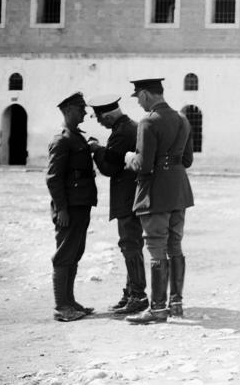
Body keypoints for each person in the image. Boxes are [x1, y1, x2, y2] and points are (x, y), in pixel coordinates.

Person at [124, 78, 195, 324]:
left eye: (138, 98)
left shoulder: (148, 122)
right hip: (179, 191)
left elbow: (143, 166)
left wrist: (130, 157)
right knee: (175, 246)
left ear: (145, 94)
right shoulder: (183, 119)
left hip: (155, 194)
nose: (139, 103)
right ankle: (176, 303)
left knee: (155, 248)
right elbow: (187, 160)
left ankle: (157, 309)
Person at [87, 94, 148, 315]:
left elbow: (109, 168)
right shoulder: (128, 126)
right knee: (130, 244)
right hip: (132, 194)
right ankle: (131, 292)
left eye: (100, 118)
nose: (99, 122)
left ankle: (138, 295)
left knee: (129, 244)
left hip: (127, 196)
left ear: (108, 115)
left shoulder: (122, 133)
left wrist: (96, 150)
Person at [46, 92, 98, 322]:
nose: (85, 113)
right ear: (68, 110)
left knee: (75, 253)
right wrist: (62, 209)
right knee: (64, 255)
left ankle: (70, 301)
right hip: (70, 207)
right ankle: (61, 306)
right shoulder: (62, 139)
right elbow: (53, 178)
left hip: (81, 204)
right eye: (80, 109)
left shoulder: (76, 137)